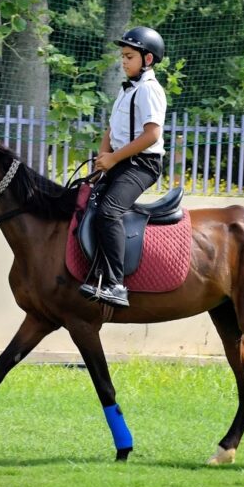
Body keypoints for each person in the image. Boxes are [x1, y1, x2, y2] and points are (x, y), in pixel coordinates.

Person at [79, 26, 167, 308]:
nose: (124, 61)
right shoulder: (127, 90)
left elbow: (151, 135)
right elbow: (111, 129)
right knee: (86, 202)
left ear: (148, 59)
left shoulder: (149, 90)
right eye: (123, 56)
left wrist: (114, 159)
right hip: (120, 161)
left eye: (129, 56)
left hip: (142, 164)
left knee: (109, 211)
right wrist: (103, 156)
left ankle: (116, 284)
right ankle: (96, 274)